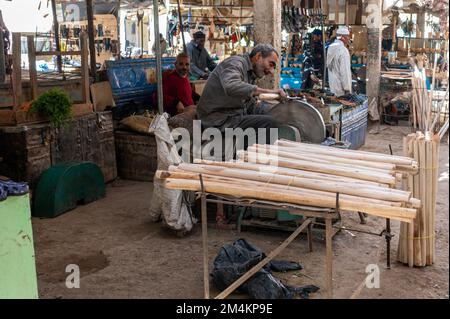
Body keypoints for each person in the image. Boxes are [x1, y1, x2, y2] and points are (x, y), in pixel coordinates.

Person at [161, 53, 199, 117]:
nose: (184, 67)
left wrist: (199, 98)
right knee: (198, 123)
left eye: (187, 64)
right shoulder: (169, 78)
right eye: (181, 64)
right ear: (175, 64)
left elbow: (188, 92)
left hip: (192, 112)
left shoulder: (185, 77)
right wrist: (176, 102)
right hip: (180, 115)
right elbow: (158, 96)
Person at [326, 26, 352, 97]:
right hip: (341, 89)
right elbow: (345, 72)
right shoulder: (343, 50)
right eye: (347, 36)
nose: (349, 38)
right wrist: (347, 89)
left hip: (332, 86)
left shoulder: (331, 47)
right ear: (342, 37)